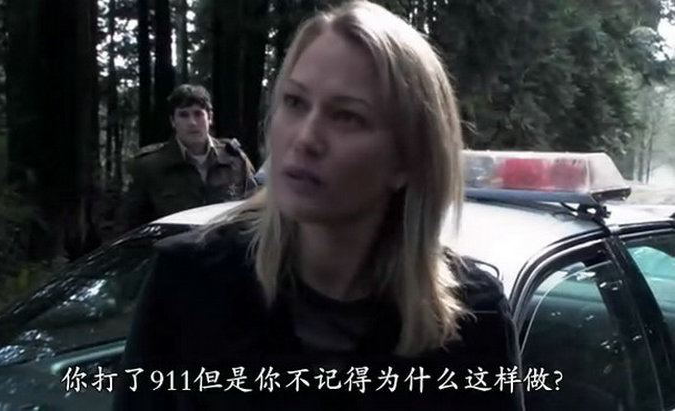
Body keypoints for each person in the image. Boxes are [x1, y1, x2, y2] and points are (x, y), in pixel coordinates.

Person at [114, 1, 525, 410]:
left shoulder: (474, 320)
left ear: (407, 160)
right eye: (295, 102)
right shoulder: (189, 281)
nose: (305, 138)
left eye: (346, 116)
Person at [119, 84, 258, 231]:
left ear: (210, 117)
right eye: (184, 115)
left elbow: (256, 211)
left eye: (198, 114)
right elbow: (128, 226)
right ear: (173, 121)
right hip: (173, 245)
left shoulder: (235, 160)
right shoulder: (150, 166)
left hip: (226, 245)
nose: (192, 122)